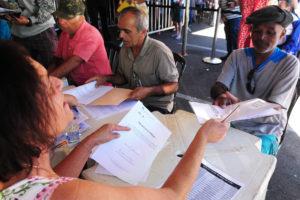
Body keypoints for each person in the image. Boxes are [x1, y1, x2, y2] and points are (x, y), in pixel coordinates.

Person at [0, 40, 229, 200]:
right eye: (45, 86)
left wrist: (88, 143)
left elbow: (50, 182)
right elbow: (173, 196)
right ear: (20, 119)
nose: (59, 83)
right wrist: (203, 137)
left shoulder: (16, 175)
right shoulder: (72, 193)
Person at [211, 5, 300, 155]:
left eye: (270, 32)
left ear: (283, 34)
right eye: (257, 31)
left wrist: (240, 107)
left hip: (264, 131)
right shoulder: (237, 56)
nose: (262, 37)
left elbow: (273, 107)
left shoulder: (289, 63)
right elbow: (219, 86)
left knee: (246, 167)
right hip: (231, 123)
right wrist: (221, 95)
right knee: (206, 154)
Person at [87, 7, 179, 114]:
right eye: (119, 30)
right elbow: (122, 78)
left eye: (126, 31)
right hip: (132, 101)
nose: (121, 35)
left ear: (143, 32)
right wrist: (105, 78)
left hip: (156, 105)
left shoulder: (160, 52)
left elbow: (173, 86)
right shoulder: (125, 49)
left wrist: (149, 91)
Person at [48, 0, 112, 86]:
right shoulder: (65, 33)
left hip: (99, 86)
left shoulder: (90, 34)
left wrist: (46, 80)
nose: (61, 21)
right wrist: (46, 75)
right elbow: (57, 59)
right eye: (60, 16)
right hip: (79, 85)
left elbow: (75, 61)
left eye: (68, 18)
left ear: (81, 18)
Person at [1, 0, 57, 68]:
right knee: (22, 72)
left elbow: (49, 8)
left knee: (54, 68)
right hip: (18, 34)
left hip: (42, 31)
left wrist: (29, 20)